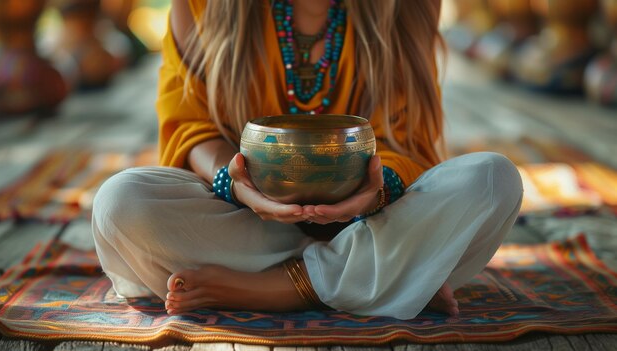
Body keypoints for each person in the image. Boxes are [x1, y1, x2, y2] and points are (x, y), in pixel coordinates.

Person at [92, 0, 523, 320]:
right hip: (249, 221)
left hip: (372, 218)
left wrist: (374, 190)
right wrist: (235, 180)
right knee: (121, 202)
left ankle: (276, 288)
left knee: (491, 179)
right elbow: (192, 128)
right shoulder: (202, 6)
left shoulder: (409, 7)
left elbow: (406, 141)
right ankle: (387, 275)